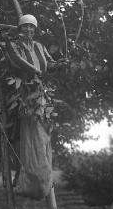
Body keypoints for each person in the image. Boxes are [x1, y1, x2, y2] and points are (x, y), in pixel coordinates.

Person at [4, 14, 66, 198]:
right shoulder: (14, 45)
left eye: (31, 27)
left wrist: (60, 65)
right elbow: (17, 60)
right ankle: (26, 178)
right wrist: (36, 71)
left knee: (43, 134)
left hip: (41, 94)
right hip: (23, 93)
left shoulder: (39, 46)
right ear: (19, 28)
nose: (28, 30)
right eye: (25, 27)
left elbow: (50, 64)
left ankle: (41, 179)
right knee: (25, 133)